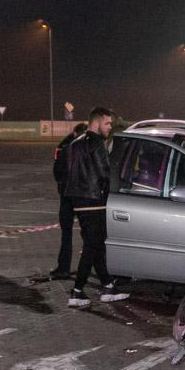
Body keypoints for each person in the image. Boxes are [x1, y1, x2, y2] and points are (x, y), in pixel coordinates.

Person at [64, 107, 129, 308]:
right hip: (94, 201)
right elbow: (104, 173)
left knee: (97, 244)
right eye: (107, 123)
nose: (109, 127)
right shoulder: (97, 143)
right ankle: (77, 291)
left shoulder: (74, 144)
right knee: (92, 246)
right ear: (96, 123)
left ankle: (108, 285)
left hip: (77, 200)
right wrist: (122, 187)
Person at [50, 122, 87, 279]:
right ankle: (91, 266)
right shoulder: (80, 148)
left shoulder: (63, 148)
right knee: (88, 235)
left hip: (67, 195)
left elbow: (57, 173)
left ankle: (64, 267)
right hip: (80, 197)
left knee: (68, 234)